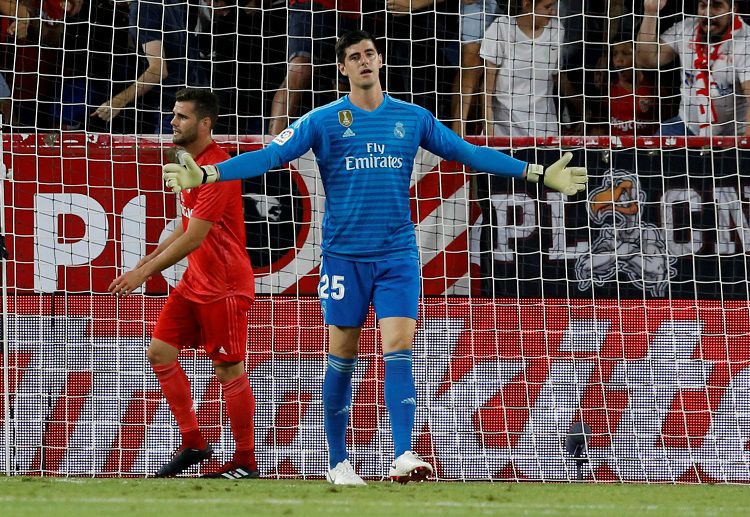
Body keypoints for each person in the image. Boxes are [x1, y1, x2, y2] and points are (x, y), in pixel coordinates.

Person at [162, 30, 587, 485]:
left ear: (379, 60)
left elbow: (468, 152)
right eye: (353, 57)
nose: (364, 61)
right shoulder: (322, 120)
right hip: (344, 258)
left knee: (399, 347)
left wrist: (536, 171)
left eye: (369, 54)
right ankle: (338, 462)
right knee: (341, 356)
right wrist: (209, 172)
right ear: (342, 69)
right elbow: (269, 158)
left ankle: (403, 453)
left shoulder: (412, 118)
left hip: (397, 255)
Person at [109, 88, 258, 479]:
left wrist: (146, 273)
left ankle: (245, 461)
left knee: (228, 368)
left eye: (182, 116)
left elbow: (196, 237)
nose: (172, 122)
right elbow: (185, 227)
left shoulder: (218, 169)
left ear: (205, 123)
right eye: (173, 115)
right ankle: (193, 441)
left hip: (224, 285)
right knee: (159, 351)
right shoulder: (189, 163)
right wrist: (146, 261)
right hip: (196, 280)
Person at [636, 0, 750, 136]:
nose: (708, 13)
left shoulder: (745, 42)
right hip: (687, 126)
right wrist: (651, 12)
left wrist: (743, 144)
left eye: (717, 5)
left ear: (733, 8)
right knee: (654, 150)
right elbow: (646, 59)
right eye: (703, 5)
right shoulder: (686, 29)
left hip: (733, 133)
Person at [91, 0, 205, 133]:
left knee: (164, 153)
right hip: (195, 99)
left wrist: (117, 102)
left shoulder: (142, 9)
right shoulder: (166, 3)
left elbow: (158, 70)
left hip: (175, 108)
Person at [480, 0, 580, 138]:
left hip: (544, 131)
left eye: (554, 6)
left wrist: (582, 108)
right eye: (547, 7)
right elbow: (486, 89)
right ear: (526, 4)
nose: (553, 11)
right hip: (504, 132)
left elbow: (557, 76)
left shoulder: (556, 30)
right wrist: (489, 129)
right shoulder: (501, 28)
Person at [268, 0, 358, 135]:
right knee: (300, 68)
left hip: (350, 12)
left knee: (345, 85)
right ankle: (273, 146)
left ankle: (342, 146)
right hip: (310, 5)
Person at [451, 0, 498, 136]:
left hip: (508, 8)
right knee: (472, 60)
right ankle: (458, 127)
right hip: (479, 5)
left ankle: (486, 130)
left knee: (491, 65)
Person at [608, 40, 657, 136]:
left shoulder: (655, 89)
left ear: (637, 57)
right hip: (616, 149)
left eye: (625, 54)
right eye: (614, 54)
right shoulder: (608, 91)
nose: (618, 60)